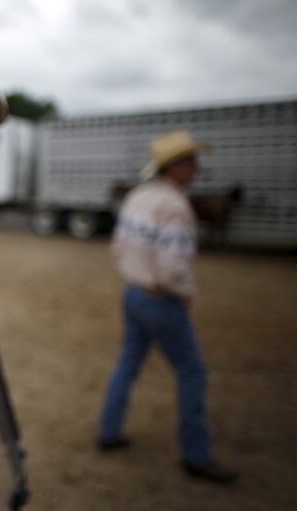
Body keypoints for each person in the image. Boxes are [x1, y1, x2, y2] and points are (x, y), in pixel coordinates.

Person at [96, 130, 239, 484]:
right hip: (160, 298)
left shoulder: (138, 196)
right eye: (190, 161)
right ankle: (196, 455)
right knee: (192, 372)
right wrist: (183, 292)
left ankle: (108, 430)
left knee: (128, 361)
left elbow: (118, 246)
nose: (196, 167)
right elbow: (173, 265)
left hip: (132, 291)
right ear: (174, 166)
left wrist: (133, 274)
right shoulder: (175, 206)